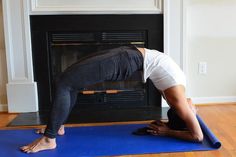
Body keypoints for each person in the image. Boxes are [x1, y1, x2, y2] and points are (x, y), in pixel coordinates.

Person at [20, 45, 203, 153]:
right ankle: (57, 126)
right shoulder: (180, 96)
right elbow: (192, 125)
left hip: (127, 60)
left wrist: (168, 132)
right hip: (129, 55)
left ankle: (49, 139)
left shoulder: (179, 99)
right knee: (69, 81)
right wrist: (178, 125)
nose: (193, 109)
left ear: (182, 113)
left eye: (190, 113)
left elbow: (198, 137)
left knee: (64, 82)